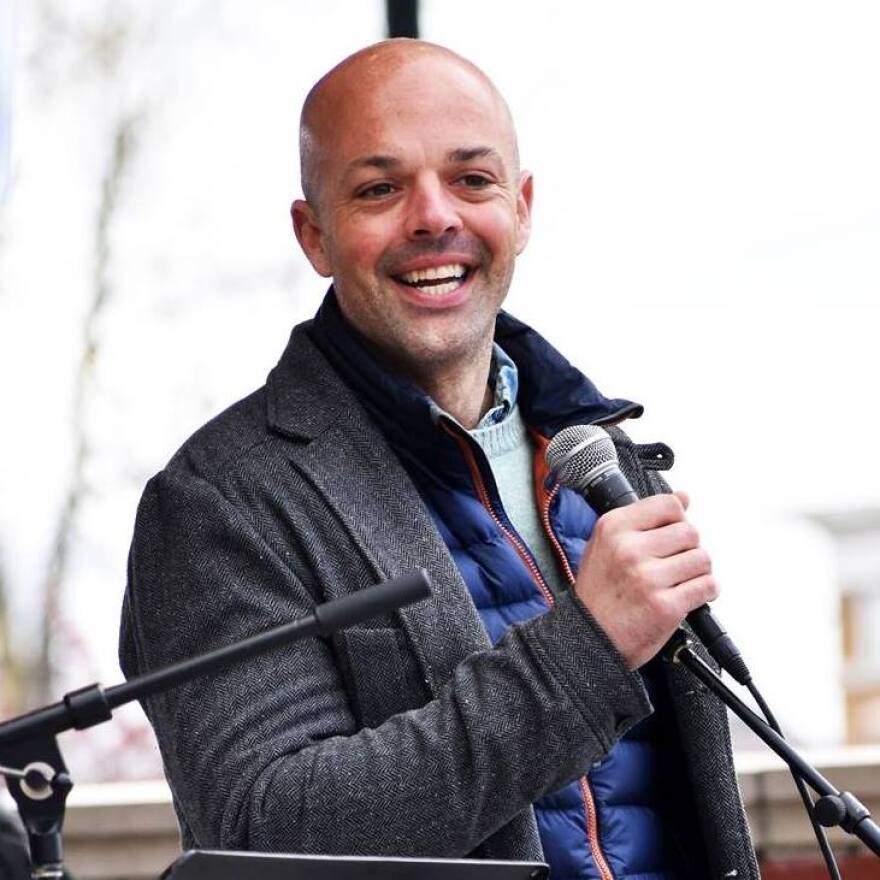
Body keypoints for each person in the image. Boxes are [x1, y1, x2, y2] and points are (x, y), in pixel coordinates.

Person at [119, 40, 759, 879]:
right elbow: (261, 832)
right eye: (380, 188)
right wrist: (589, 646)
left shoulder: (603, 457)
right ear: (315, 234)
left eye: (472, 179)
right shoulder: (221, 501)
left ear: (521, 208)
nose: (434, 217)